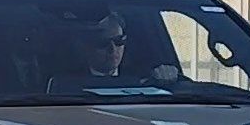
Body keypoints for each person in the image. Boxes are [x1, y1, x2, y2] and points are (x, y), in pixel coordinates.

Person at [48, 12, 179, 93]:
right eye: (102, 43)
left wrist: (169, 77)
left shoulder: (144, 75)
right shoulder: (65, 83)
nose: (113, 49)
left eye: (119, 41)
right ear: (85, 47)